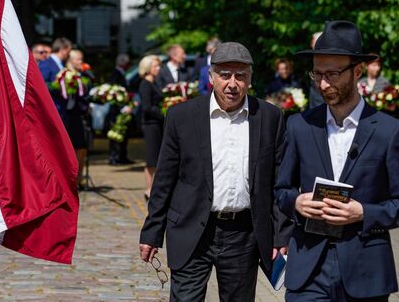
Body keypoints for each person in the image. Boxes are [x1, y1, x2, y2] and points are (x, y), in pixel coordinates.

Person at [275, 20, 399, 301]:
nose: (322, 84)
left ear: (357, 71)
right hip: (308, 270)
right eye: (316, 74)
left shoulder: (389, 132)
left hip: (366, 271)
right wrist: (296, 201)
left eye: (331, 74)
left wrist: (364, 213)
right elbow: (280, 190)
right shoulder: (299, 126)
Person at [140, 42, 292, 301]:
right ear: (211, 77)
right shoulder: (181, 116)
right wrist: (152, 232)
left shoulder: (269, 117)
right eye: (225, 75)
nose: (232, 83)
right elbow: (164, 179)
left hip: (243, 235)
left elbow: (279, 181)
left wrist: (281, 235)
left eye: (240, 76)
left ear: (250, 79)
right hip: (192, 228)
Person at [64, 49, 91, 191]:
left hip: (79, 114)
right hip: (70, 114)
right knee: (74, 148)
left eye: (81, 59)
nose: (80, 62)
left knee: (82, 148)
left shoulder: (83, 75)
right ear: (71, 60)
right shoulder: (65, 74)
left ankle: (78, 178)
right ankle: (71, 179)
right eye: (78, 59)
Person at [138, 55, 163, 200]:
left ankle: (153, 187)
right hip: (150, 124)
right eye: (155, 66)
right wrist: (163, 114)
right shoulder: (145, 84)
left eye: (158, 66)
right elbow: (146, 107)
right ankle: (149, 189)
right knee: (151, 158)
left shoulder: (154, 83)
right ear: (147, 68)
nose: (158, 68)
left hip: (156, 124)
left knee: (156, 157)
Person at [107, 53, 133, 165]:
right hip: (117, 110)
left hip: (122, 108)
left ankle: (122, 156)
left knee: (123, 134)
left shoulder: (120, 74)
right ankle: (114, 157)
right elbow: (115, 92)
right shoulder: (115, 74)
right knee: (116, 134)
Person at [39, 37, 72, 118]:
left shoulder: (62, 64)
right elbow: (42, 85)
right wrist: (59, 87)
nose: (69, 54)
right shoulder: (46, 64)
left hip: (61, 108)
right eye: (68, 51)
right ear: (63, 50)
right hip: (52, 108)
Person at [308, 31, 325, 109]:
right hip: (313, 103)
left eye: (314, 42)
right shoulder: (311, 59)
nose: (312, 44)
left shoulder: (326, 61)